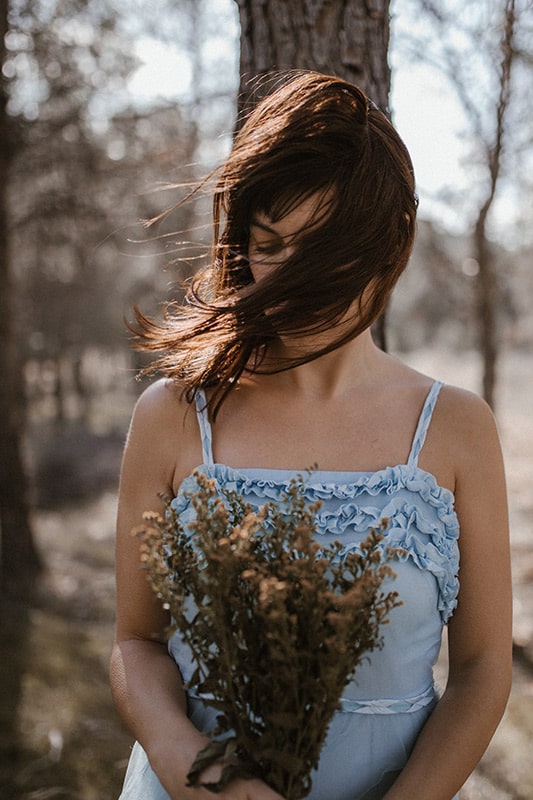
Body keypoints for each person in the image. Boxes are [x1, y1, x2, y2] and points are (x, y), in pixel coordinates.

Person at [111, 71, 512, 800]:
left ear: (390, 247)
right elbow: (136, 642)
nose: (291, 284)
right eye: (270, 246)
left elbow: (483, 668)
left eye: (326, 254)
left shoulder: (456, 428)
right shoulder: (173, 415)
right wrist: (203, 777)